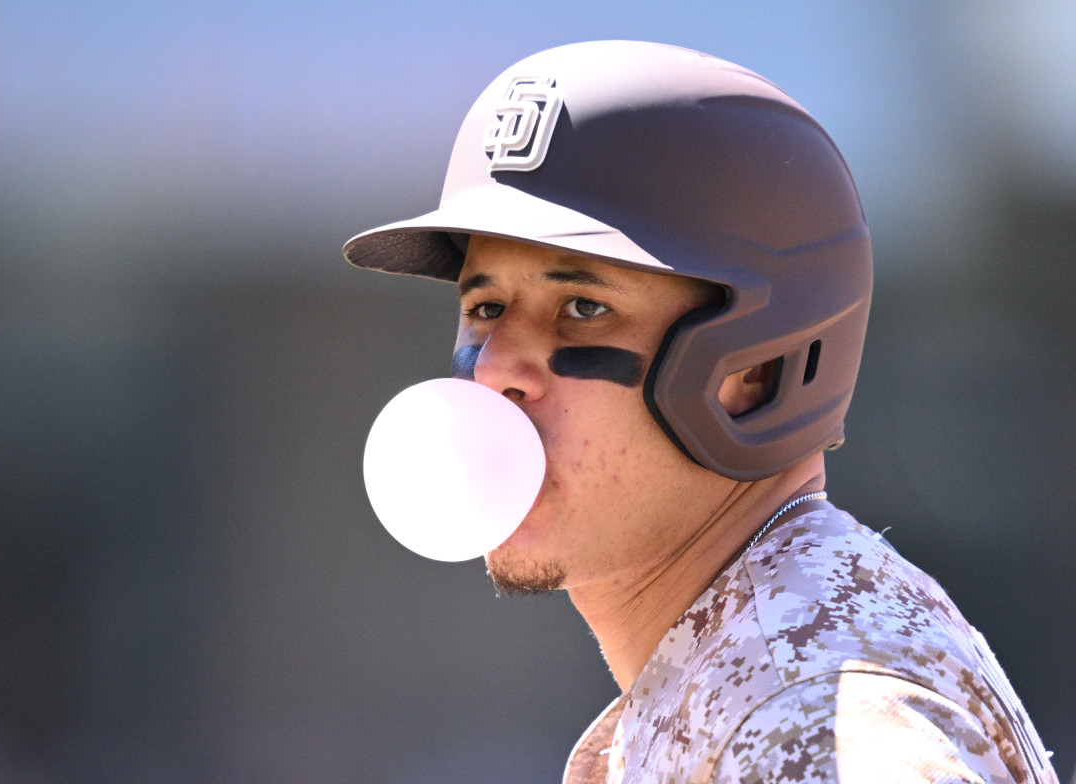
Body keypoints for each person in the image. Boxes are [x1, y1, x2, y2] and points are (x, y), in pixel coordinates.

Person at [343, 41, 1059, 784]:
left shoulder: (814, 724)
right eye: (486, 307)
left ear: (757, 369)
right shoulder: (751, 670)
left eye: (583, 308)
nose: (492, 369)